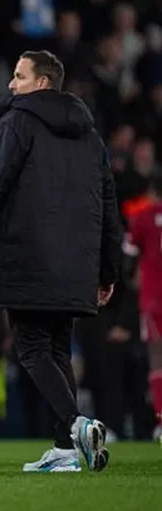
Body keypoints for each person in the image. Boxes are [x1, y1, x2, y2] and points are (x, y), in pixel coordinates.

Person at [0, 50, 122, 473]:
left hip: (27, 257)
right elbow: (108, 207)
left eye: (19, 77)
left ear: (41, 83)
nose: (10, 85)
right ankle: (64, 450)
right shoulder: (91, 137)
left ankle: (77, 425)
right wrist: (108, 269)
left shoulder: (16, 123)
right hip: (77, 265)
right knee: (56, 349)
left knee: (32, 347)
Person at [123, 171, 162, 446]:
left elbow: (127, 259)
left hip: (153, 300)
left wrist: (130, 277)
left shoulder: (144, 217)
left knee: (158, 360)